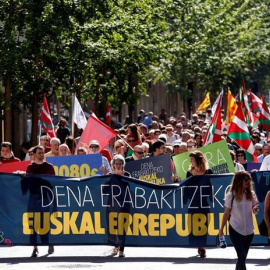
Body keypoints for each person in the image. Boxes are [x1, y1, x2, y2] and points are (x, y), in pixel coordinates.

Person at [219, 171, 259, 270]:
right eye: (245, 180)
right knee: (241, 256)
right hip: (235, 229)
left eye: (249, 180)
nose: (248, 182)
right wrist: (221, 230)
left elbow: (255, 210)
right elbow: (226, 213)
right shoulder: (231, 195)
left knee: (243, 258)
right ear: (239, 181)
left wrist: (255, 210)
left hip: (249, 230)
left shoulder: (251, 194)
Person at [25, 145, 56, 257]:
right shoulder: (30, 167)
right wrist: (23, 177)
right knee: (32, 224)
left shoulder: (49, 167)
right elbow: (27, 183)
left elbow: (54, 182)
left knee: (45, 222)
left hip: (45, 199)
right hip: (33, 198)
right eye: (39, 153)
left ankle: (49, 243)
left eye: (43, 152)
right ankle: (35, 248)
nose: (42, 154)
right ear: (34, 155)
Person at [186, 151, 213, 258]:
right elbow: (186, 189)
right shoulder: (189, 172)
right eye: (190, 160)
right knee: (193, 226)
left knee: (204, 225)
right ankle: (198, 245)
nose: (191, 162)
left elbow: (212, 186)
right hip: (193, 203)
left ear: (198, 160)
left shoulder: (208, 171)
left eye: (192, 159)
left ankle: (202, 247)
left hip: (205, 203)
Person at [108, 154, 131, 258]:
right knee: (113, 226)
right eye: (116, 163)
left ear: (123, 164)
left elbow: (130, 187)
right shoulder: (109, 175)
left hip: (124, 204)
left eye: (120, 164)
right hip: (112, 204)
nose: (118, 165)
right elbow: (105, 189)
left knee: (122, 226)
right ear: (113, 164)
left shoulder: (127, 174)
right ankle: (115, 246)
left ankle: (121, 249)